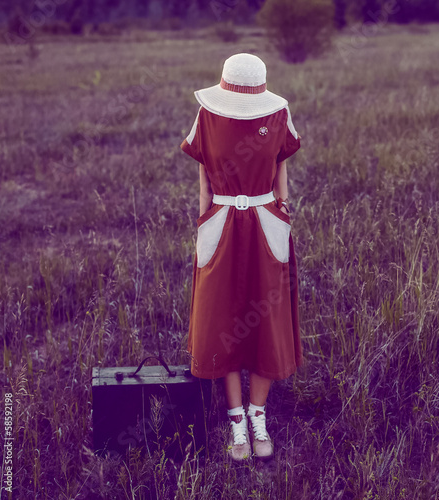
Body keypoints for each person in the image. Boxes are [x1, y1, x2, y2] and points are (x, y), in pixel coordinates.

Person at [180, 53, 304, 461]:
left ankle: (257, 415)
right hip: (220, 223)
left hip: (267, 223)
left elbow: (281, 171)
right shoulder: (207, 116)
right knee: (222, 317)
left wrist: (283, 213)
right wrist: (204, 227)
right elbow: (203, 178)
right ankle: (236, 419)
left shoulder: (279, 115)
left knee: (267, 319)